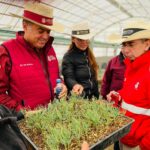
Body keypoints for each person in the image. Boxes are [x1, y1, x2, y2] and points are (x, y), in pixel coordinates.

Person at [0, 2, 67, 111]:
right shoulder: (7, 51)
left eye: (48, 31)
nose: (45, 37)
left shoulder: (49, 49)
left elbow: (56, 77)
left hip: (53, 114)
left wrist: (62, 85)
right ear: (25, 26)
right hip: (26, 122)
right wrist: (22, 111)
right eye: (40, 31)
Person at [107, 21, 150, 150]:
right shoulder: (131, 65)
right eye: (124, 44)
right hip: (125, 135)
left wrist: (144, 146)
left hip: (138, 143)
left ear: (147, 44)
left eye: (131, 44)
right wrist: (118, 97)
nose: (125, 50)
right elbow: (134, 97)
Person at [61, 22, 99, 99]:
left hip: (93, 99)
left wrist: (97, 96)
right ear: (73, 39)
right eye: (80, 40)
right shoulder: (68, 57)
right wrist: (75, 85)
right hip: (78, 99)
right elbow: (68, 77)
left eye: (86, 40)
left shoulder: (89, 55)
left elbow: (93, 80)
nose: (84, 43)